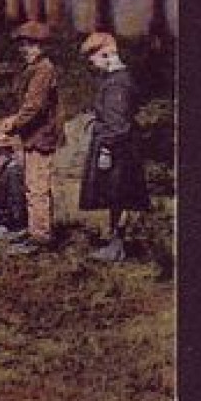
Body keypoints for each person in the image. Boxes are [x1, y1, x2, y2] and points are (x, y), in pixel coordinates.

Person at [78, 31, 151, 263]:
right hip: (122, 146)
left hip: (119, 150)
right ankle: (116, 245)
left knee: (119, 196)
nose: (92, 62)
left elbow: (117, 123)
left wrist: (106, 151)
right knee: (116, 198)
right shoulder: (116, 80)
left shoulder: (117, 84)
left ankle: (117, 246)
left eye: (94, 56)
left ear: (107, 53)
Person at [2, 20, 62, 252]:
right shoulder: (34, 68)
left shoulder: (44, 69)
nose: (25, 49)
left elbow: (34, 106)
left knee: (37, 187)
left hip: (42, 136)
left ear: (42, 46)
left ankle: (41, 237)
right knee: (31, 184)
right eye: (23, 45)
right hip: (33, 135)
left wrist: (13, 124)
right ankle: (34, 229)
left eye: (30, 45)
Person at [0, 131, 28, 241]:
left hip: (12, 225)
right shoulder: (4, 170)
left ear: (9, 152)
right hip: (2, 218)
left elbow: (17, 203)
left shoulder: (13, 172)